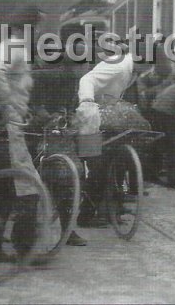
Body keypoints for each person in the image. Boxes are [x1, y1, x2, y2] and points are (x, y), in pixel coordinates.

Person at [0, 6, 45, 265]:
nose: (38, 33)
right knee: (27, 187)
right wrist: (5, 107)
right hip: (2, 126)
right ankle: (26, 250)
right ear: (29, 28)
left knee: (3, 190)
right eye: (37, 28)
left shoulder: (11, 47)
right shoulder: (14, 47)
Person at [73, 38, 158, 234]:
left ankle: (111, 208)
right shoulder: (119, 65)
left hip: (103, 115)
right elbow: (86, 79)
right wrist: (87, 102)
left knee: (115, 160)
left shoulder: (132, 69)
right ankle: (85, 215)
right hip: (89, 114)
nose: (149, 67)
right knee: (98, 166)